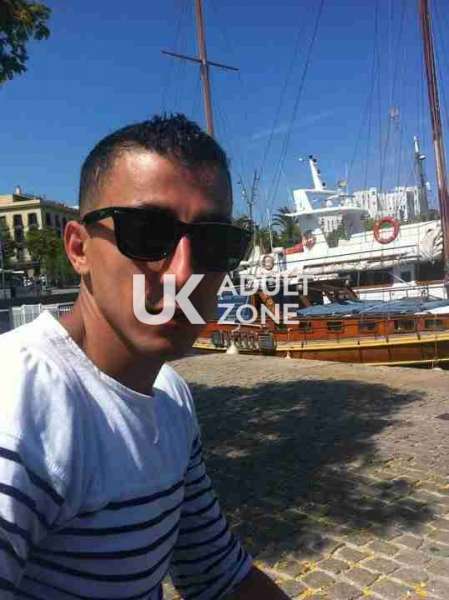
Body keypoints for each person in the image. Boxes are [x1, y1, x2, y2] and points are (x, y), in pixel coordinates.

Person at [0, 114, 289, 599]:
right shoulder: (20, 412)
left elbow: (216, 572)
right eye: (148, 233)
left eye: (213, 242)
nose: (182, 274)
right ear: (79, 248)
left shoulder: (169, 396)